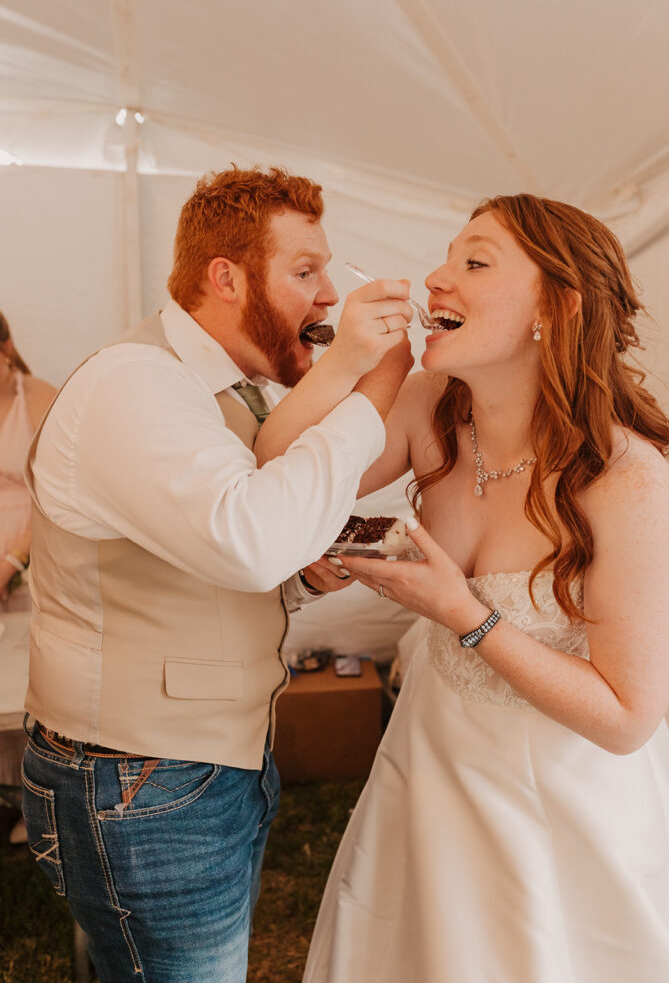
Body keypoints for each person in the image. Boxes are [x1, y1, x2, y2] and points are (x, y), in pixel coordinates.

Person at [258, 194, 669, 982]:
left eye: (473, 262)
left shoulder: (626, 481)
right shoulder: (429, 409)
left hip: (563, 815)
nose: (434, 279)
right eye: (446, 257)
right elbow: (276, 473)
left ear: (554, 307)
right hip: (430, 764)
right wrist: (358, 365)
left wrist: (460, 614)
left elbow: (627, 719)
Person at [20, 166, 413, 983]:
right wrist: (363, 392)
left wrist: (305, 581)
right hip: (139, 775)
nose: (326, 300)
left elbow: (216, 554)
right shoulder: (137, 385)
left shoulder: (232, 392)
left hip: (192, 765)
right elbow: (247, 540)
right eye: (304, 273)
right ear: (225, 277)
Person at [0, 312, 55, 845]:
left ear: (7, 346)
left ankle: (31, 804)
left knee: (26, 682)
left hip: (30, 557)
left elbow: (57, 494)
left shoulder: (39, 398)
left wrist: (14, 563)